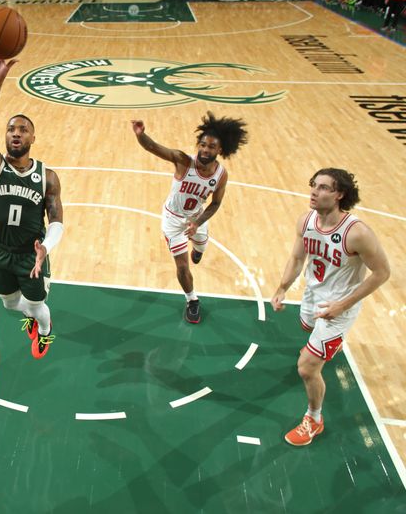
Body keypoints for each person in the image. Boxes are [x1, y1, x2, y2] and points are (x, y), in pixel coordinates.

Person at [271, 168, 390, 446]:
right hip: (313, 295)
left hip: (341, 307)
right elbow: (297, 257)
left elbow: (382, 272)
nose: (314, 191)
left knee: (307, 368)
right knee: (306, 327)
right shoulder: (306, 221)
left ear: (339, 195)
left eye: (324, 187)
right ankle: (322, 347)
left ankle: (314, 419)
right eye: (314, 185)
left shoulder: (357, 233)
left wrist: (342, 304)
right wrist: (282, 287)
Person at [0, 52, 64, 359]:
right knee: (10, 304)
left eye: (23, 129)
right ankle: (27, 312)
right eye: (12, 128)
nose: (16, 132)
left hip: (31, 254)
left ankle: (45, 329)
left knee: (37, 307)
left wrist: (46, 248)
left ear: (33, 137)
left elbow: (56, 220)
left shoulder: (47, 177)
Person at [131, 112, 248, 323]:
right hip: (173, 220)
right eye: (202, 144)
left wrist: (198, 222)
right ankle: (192, 300)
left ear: (220, 150)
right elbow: (153, 147)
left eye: (211, 146)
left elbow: (216, 203)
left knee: (201, 247)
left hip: (197, 218)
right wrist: (141, 134)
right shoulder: (183, 161)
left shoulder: (221, 175)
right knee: (183, 266)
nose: (205, 149)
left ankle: (199, 249)